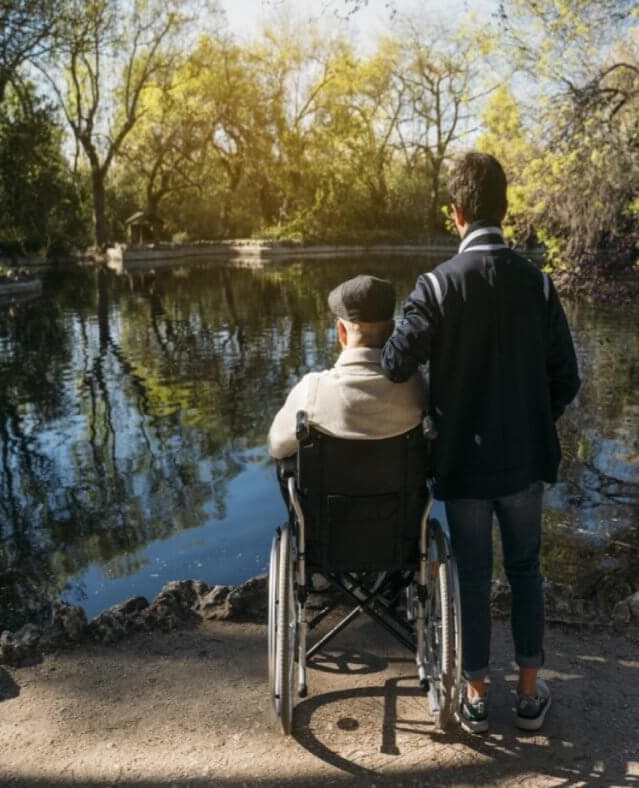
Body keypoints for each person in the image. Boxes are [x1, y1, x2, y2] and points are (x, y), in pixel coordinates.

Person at [380, 152, 581, 734]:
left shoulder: (437, 286)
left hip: (464, 465)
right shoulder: (539, 285)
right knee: (525, 571)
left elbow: (396, 363)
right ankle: (527, 694)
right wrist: (535, 417)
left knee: (471, 573)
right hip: (524, 464)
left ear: (456, 213)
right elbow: (566, 377)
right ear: (506, 208)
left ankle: (473, 694)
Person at [267, 274, 425, 461]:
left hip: (326, 490)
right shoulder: (417, 386)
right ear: (391, 330)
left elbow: (277, 448)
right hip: (406, 490)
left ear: (341, 331)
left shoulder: (312, 391)